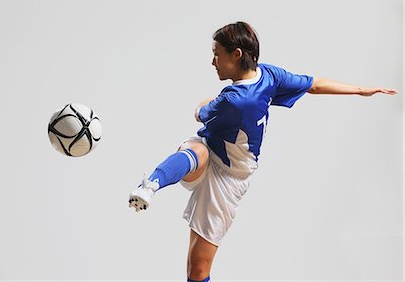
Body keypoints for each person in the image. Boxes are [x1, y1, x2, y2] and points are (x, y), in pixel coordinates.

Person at [127, 21, 397, 282]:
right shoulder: (268, 76)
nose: (213, 62)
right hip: (211, 154)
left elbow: (200, 112)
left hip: (231, 179)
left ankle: (153, 184)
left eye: (216, 55)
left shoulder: (232, 100)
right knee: (199, 149)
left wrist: (202, 105)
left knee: (197, 269)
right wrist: (361, 90)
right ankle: (150, 185)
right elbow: (314, 84)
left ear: (236, 54)